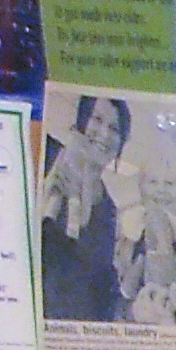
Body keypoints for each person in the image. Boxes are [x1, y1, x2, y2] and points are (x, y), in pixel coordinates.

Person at [41, 97, 130, 325]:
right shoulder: (50, 156)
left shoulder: (108, 210)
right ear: (81, 121)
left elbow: (98, 282)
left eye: (114, 129)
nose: (104, 133)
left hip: (74, 327)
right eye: (97, 119)